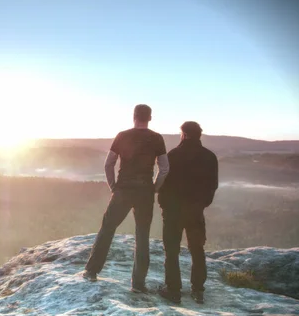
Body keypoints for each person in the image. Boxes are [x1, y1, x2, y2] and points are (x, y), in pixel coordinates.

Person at [83, 104, 169, 292]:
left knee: (107, 228)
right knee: (142, 234)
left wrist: (113, 186)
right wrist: (155, 187)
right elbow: (164, 168)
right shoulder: (156, 138)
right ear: (150, 118)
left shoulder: (122, 136)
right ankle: (138, 284)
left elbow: (109, 164)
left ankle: (91, 271)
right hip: (145, 191)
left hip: (123, 190)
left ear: (134, 116)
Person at [157, 121, 218, 304]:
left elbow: (164, 183)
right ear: (199, 135)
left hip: (173, 211)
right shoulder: (209, 157)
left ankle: (173, 290)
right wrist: (202, 204)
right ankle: (198, 290)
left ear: (183, 134)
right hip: (195, 211)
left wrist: (164, 204)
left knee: (172, 250)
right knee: (197, 249)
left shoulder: (173, 155)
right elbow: (212, 185)